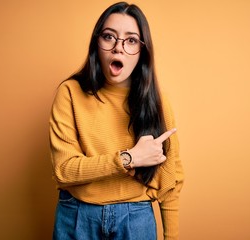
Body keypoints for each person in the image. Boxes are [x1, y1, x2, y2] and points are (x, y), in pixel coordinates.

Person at [49, 2, 184, 239]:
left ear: (143, 50)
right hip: (77, 215)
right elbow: (63, 170)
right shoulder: (70, 92)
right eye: (109, 37)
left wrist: (171, 237)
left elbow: (171, 179)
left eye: (131, 40)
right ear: (96, 43)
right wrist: (130, 158)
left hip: (136, 218)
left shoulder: (157, 100)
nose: (118, 48)